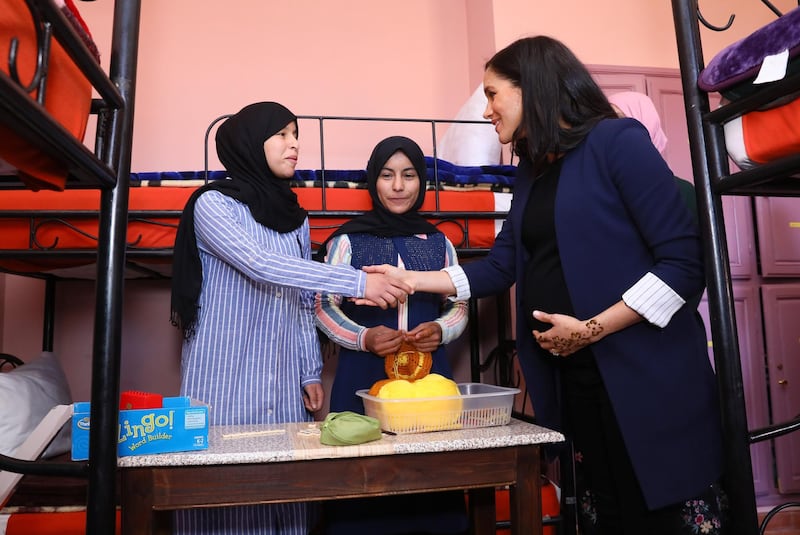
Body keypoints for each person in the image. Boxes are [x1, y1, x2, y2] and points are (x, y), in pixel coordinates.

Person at [366, 37, 727, 534]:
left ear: (531, 85)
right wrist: (409, 279)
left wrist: (592, 329)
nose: (488, 110)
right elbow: (500, 265)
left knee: (659, 512)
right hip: (574, 373)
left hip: (642, 371)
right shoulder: (532, 170)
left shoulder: (618, 142)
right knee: (607, 510)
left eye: (494, 94)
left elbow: (683, 265)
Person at [169, 101, 411, 535]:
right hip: (225, 375)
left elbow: (302, 299)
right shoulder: (213, 205)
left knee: (285, 488)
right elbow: (261, 263)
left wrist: (309, 372)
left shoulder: (295, 218)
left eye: (296, 135)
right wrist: (356, 281)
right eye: (281, 134)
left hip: (280, 376)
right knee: (222, 492)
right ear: (249, 142)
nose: (294, 144)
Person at [315, 136, 469, 535]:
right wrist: (363, 338)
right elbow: (323, 306)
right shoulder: (346, 241)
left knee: (433, 477)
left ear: (422, 183)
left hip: (430, 379)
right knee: (363, 478)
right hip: (360, 378)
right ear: (373, 182)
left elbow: (460, 304)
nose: (398, 186)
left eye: (409, 175)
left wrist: (442, 329)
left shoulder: (440, 243)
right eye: (387, 175)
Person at [607, 91, 698, 223]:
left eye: (619, 119)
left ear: (646, 125)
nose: (610, 129)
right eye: (605, 121)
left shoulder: (682, 192)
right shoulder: (597, 189)